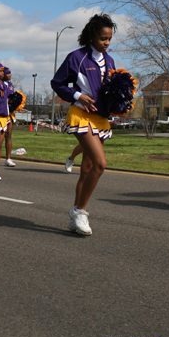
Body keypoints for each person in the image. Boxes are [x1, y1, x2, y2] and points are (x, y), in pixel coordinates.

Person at [51, 13, 117, 236]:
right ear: (92, 36)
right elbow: (57, 83)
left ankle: (74, 215)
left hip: (100, 118)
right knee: (100, 164)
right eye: (102, 38)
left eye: (109, 38)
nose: (106, 42)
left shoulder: (109, 60)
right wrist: (78, 96)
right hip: (81, 115)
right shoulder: (76, 57)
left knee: (87, 169)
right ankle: (81, 212)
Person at [2, 67, 17, 167]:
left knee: (9, 134)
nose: (9, 75)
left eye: (10, 73)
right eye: (7, 73)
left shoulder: (11, 85)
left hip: (9, 113)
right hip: (0, 113)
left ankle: (8, 158)